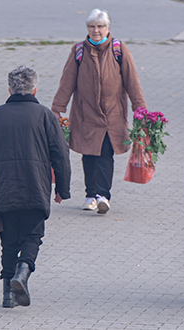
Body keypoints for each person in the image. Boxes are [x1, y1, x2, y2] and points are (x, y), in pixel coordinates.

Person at [0, 66, 71, 308]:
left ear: (9, 89)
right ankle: (23, 270)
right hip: (35, 186)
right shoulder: (45, 116)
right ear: (35, 89)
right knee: (33, 235)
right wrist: (62, 188)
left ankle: (8, 294)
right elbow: (60, 154)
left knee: (8, 240)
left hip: (4, 187)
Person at [52, 8, 147, 214]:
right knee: (89, 155)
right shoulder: (79, 51)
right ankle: (90, 195)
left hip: (112, 114)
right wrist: (58, 109)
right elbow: (67, 82)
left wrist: (140, 110)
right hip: (86, 114)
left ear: (108, 28)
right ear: (87, 28)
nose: (96, 30)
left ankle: (103, 195)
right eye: (92, 26)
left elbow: (132, 82)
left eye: (100, 26)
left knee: (105, 153)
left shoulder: (119, 49)